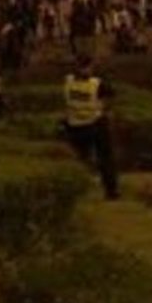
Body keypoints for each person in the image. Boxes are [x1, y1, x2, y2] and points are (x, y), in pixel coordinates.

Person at [64, 54, 118, 200]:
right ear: (88, 67)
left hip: (74, 125)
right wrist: (106, 110)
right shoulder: (96, 84)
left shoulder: (68, 81)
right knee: (105, 158)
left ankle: (77, 191)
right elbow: (111, 96)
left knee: (80, 159)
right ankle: (111, 191)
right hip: (95, 124)